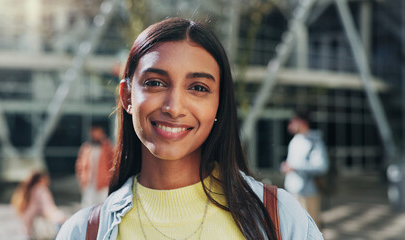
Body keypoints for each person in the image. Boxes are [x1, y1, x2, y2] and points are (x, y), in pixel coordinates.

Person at [57, 17, 323, 240]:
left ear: (219, 105)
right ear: (127, 97)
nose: (174, 107)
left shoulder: (279, 216)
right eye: (155, 83)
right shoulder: (82, 232)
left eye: (198, 88)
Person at [281, 110, 329, 229]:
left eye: (293, 121)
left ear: (302, 122)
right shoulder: (295, 140)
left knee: (310, 228)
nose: (290, 125)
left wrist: (295, 167)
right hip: (293, 192)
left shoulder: (314, 141)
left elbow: (322, 166)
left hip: (309, 193)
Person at [11, 171, 66, 239]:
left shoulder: (26, 192)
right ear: (41, 179)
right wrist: (63, 219)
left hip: (25, 232)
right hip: (38, 233)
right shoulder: (40, 190)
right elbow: (49, 208)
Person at [75, 124, 114, 208]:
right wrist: (81, 179)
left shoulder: (107, 147)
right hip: (89, 182)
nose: (94, 134)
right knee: (87, 206)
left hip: (103, 183)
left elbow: (113, 163)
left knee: (102, 206)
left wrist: (109, 179)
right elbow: (80, 165)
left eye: (97, 132)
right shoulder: (86, 147)